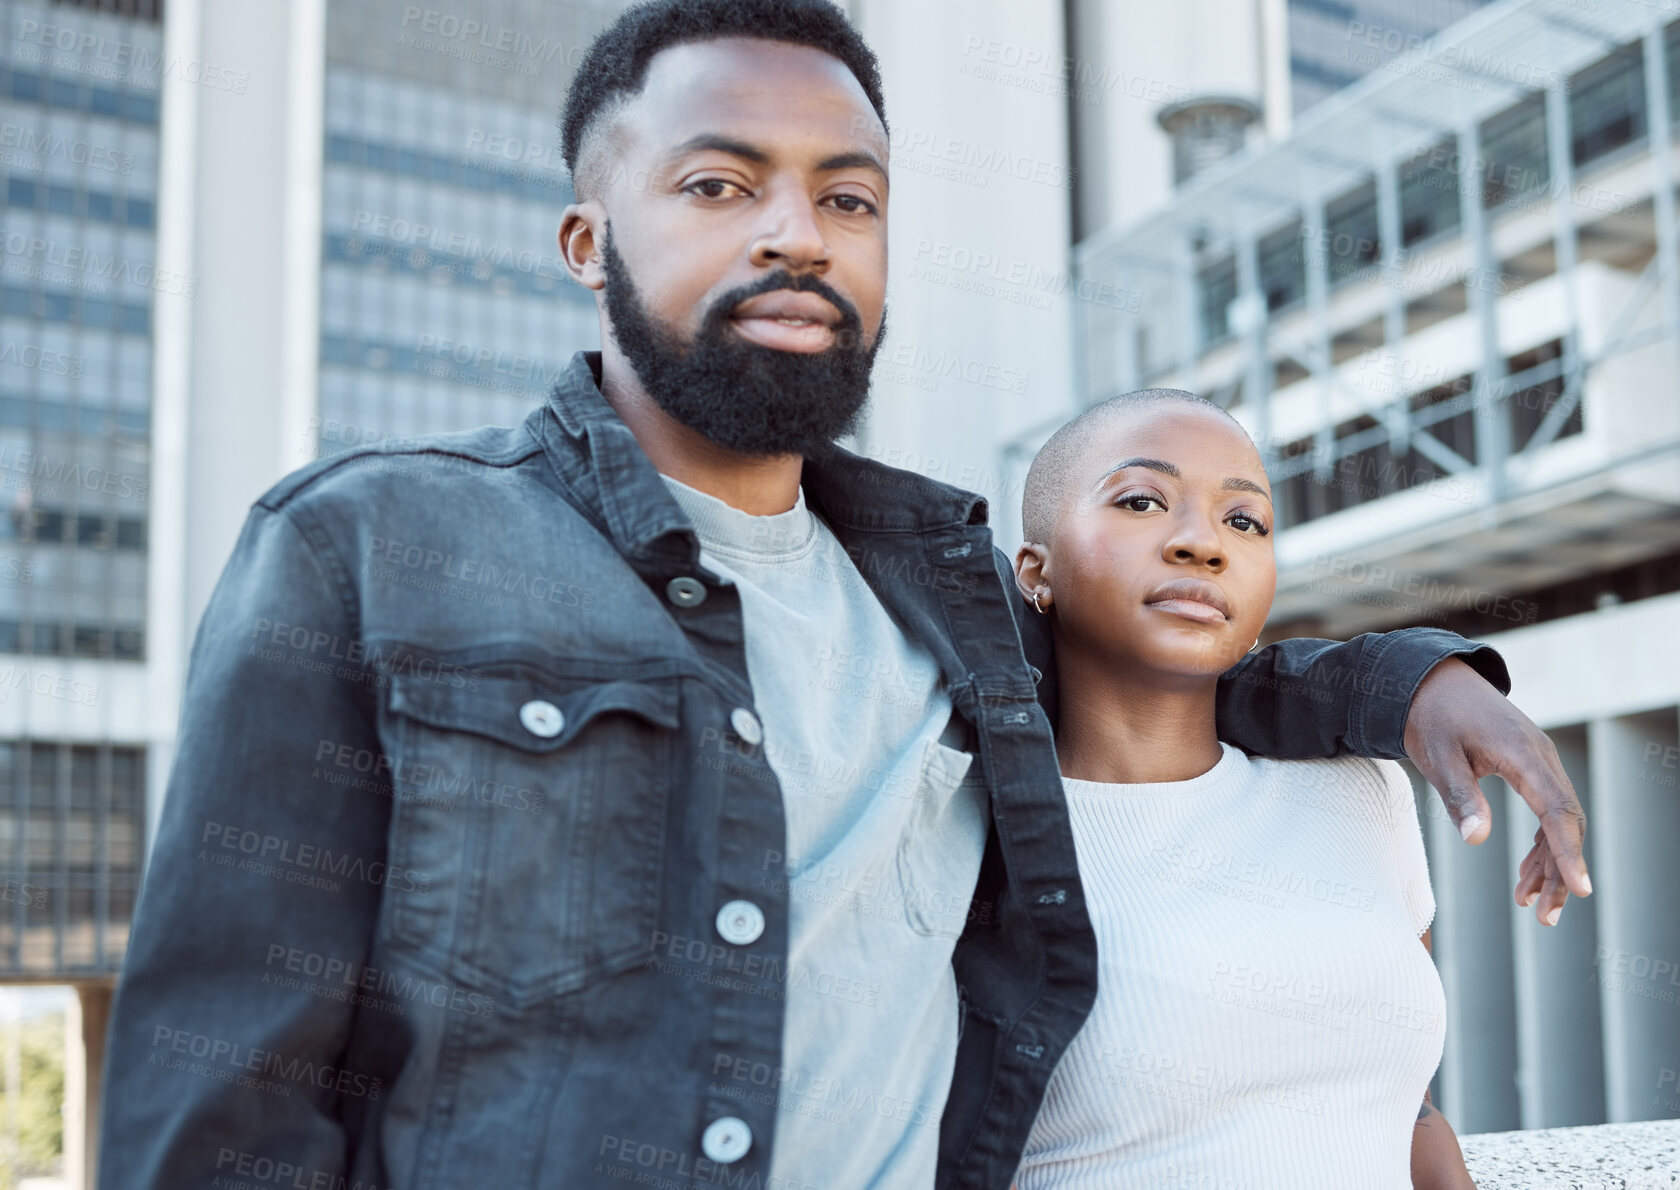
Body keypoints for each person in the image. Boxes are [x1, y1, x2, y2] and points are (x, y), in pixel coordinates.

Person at [98, 2, 1587, 1188]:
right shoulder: (367, 547)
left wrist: (1418, 680)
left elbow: (1177, 665)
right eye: (716, 183)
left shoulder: (948, 603)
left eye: (848, 198)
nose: (796, 232)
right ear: (586, 240)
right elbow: (223, 1107)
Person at [1010, 390, 1477, 1189]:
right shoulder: (970, 834)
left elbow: (1409, 1116)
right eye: (1141, 501)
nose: (1201, 544)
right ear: (1035, 572)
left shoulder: (1359, 794)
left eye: (1244, 522)